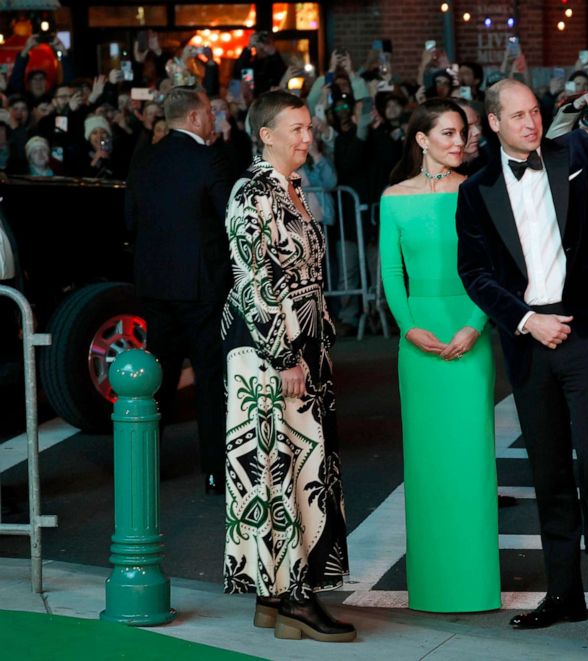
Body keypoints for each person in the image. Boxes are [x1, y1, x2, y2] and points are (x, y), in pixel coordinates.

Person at [455, 17, 588, 640]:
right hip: (530, 344)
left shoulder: (573, 154)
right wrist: (526, 320)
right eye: (518, 115)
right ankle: (564, 594)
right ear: (493, 123)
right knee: (549, 474)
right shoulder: (477, 191)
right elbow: (474, 273)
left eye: (534, 111)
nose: (531, 121)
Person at [222, 90, 354, 643]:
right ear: (265, 134)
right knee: (285, 472)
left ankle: (274, 597)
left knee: (297, 469)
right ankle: (297, 598)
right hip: (270, 353)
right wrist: (285, 355)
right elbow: (255, 281)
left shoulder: (290, 189)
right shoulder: (252, 191)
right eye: (295, 128)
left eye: (308, 126)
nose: (307, 137)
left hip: (300, 349)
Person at [379, 98, 500, 613]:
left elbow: (494, 266)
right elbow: (390, 272)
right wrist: (409, 330)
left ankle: (474, 584)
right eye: (448, 133)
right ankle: (430, 585)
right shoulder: (393, 198)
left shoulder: (479, 190)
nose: (460, 142)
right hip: (419, 344)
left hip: (471, 335)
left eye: (463, 133)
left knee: (471, 460)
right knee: (427, 465)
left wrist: (475, 326)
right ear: (421, 139)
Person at [124, 85, 232, 495]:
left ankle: (143, 469)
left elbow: (130, 220)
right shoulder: (207, 160)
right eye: (208, 113)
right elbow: (229, 219)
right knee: (209, 379)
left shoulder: (144, 159)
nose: (212, 120)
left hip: (155, 284)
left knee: (157, 380)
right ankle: (215, 473)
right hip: (202, 286)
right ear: (192, 117)